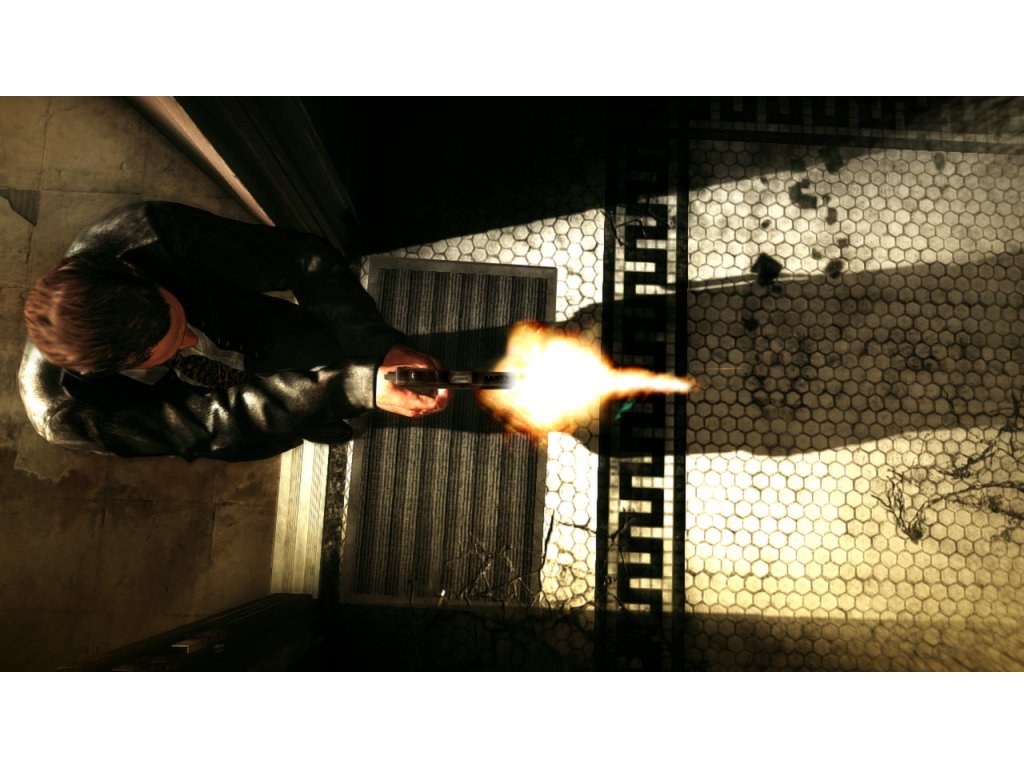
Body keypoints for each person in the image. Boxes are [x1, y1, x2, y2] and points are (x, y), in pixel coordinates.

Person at [18, 202, 449, 461]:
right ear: (110, 369)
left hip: (263, 332)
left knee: (326, 359)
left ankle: (325, 412)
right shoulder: (67, 416)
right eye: (170, 348)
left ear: (139, 275)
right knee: (281, 428)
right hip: (212, 415)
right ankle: (314, 424)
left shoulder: (148, 234)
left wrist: (377, 346)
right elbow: (216, 421)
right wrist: (354, 387)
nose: (192, 342)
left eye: (179, 322)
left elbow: (303, 259)